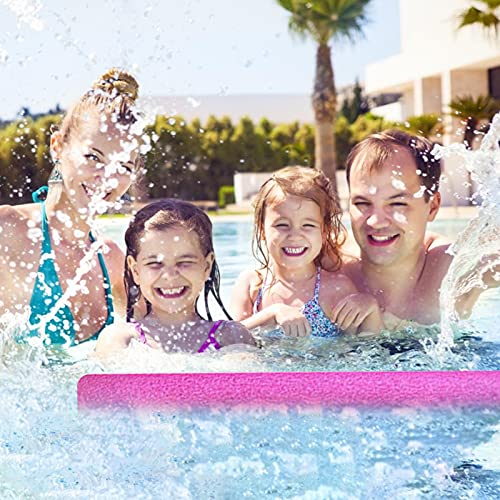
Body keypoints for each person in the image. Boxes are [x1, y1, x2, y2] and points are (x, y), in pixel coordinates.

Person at [0, 68, 144, 346]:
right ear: (58, 147)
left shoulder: (112, 260)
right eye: (93, 157)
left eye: (124, 166)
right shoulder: (8, 231)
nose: (107, 178)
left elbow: (159, 340)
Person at [343, 128, 498, 328]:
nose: (375, 222)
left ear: (432, 206)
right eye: (362, 203)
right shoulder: (328, 260)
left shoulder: (453, 270)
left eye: (397, 204)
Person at [230, 166, 383, 337]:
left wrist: (371, 308)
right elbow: (227, 340)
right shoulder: (252, 285)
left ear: (324, 231)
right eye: (282, 225)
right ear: (262, 230)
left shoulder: (335, 288)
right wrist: (271, 314)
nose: (294, 236)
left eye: (308, 225)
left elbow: (363, 349)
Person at [94, 199, 255, 358]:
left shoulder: (230, 337)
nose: (170, 275)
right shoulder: (120, 340)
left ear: (207, 266)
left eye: (185, 262)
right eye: (155, 264)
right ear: (135, 270)